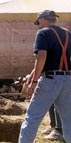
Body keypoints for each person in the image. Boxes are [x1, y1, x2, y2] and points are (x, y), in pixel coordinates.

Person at [18, 10, 71, 143]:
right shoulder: (68, 33)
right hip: (68, 79)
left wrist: (34, 81)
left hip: (50, 80)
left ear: (43, 19)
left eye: (39, 23)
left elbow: (41, 58)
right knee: (69, 121)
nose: (39, 25)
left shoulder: (43, 33)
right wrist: (32, 75)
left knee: (32, 119)